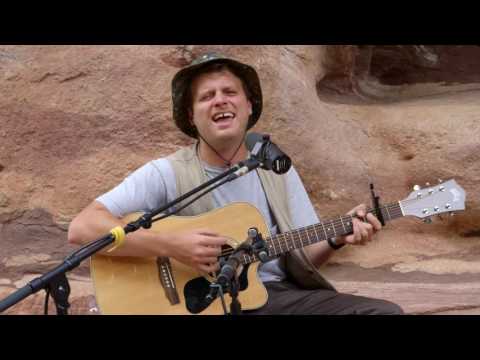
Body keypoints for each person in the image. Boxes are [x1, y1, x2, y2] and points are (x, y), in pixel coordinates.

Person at [68, 53, 403, 315]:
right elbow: (83, 228)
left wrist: (335, 238)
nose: (220, 101)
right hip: (202, 305)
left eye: (230, 92)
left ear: (249, 106)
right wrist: (171, 245)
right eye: (207, 96)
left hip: (274, 299)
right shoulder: (166, 173)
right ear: (190, 116)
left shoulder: (275, 167)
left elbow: (302, 257)